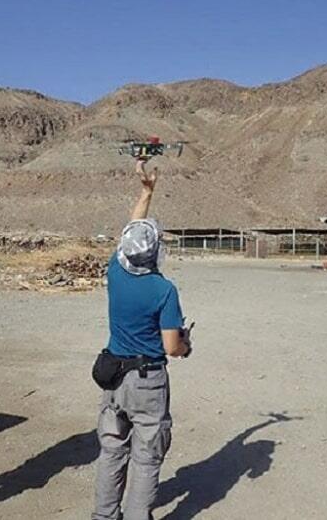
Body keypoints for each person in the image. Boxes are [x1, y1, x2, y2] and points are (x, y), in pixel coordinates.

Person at [92, 160, 193, 520]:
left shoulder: (115, 272)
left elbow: (129, 232)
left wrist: (146, 191)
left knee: (112, 451)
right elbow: (171, 347)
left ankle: (104, 515)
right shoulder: (164, 290)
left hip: (114, 377)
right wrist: (185, 345)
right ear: (155, 252)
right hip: (147, 382)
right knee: (147, 457)